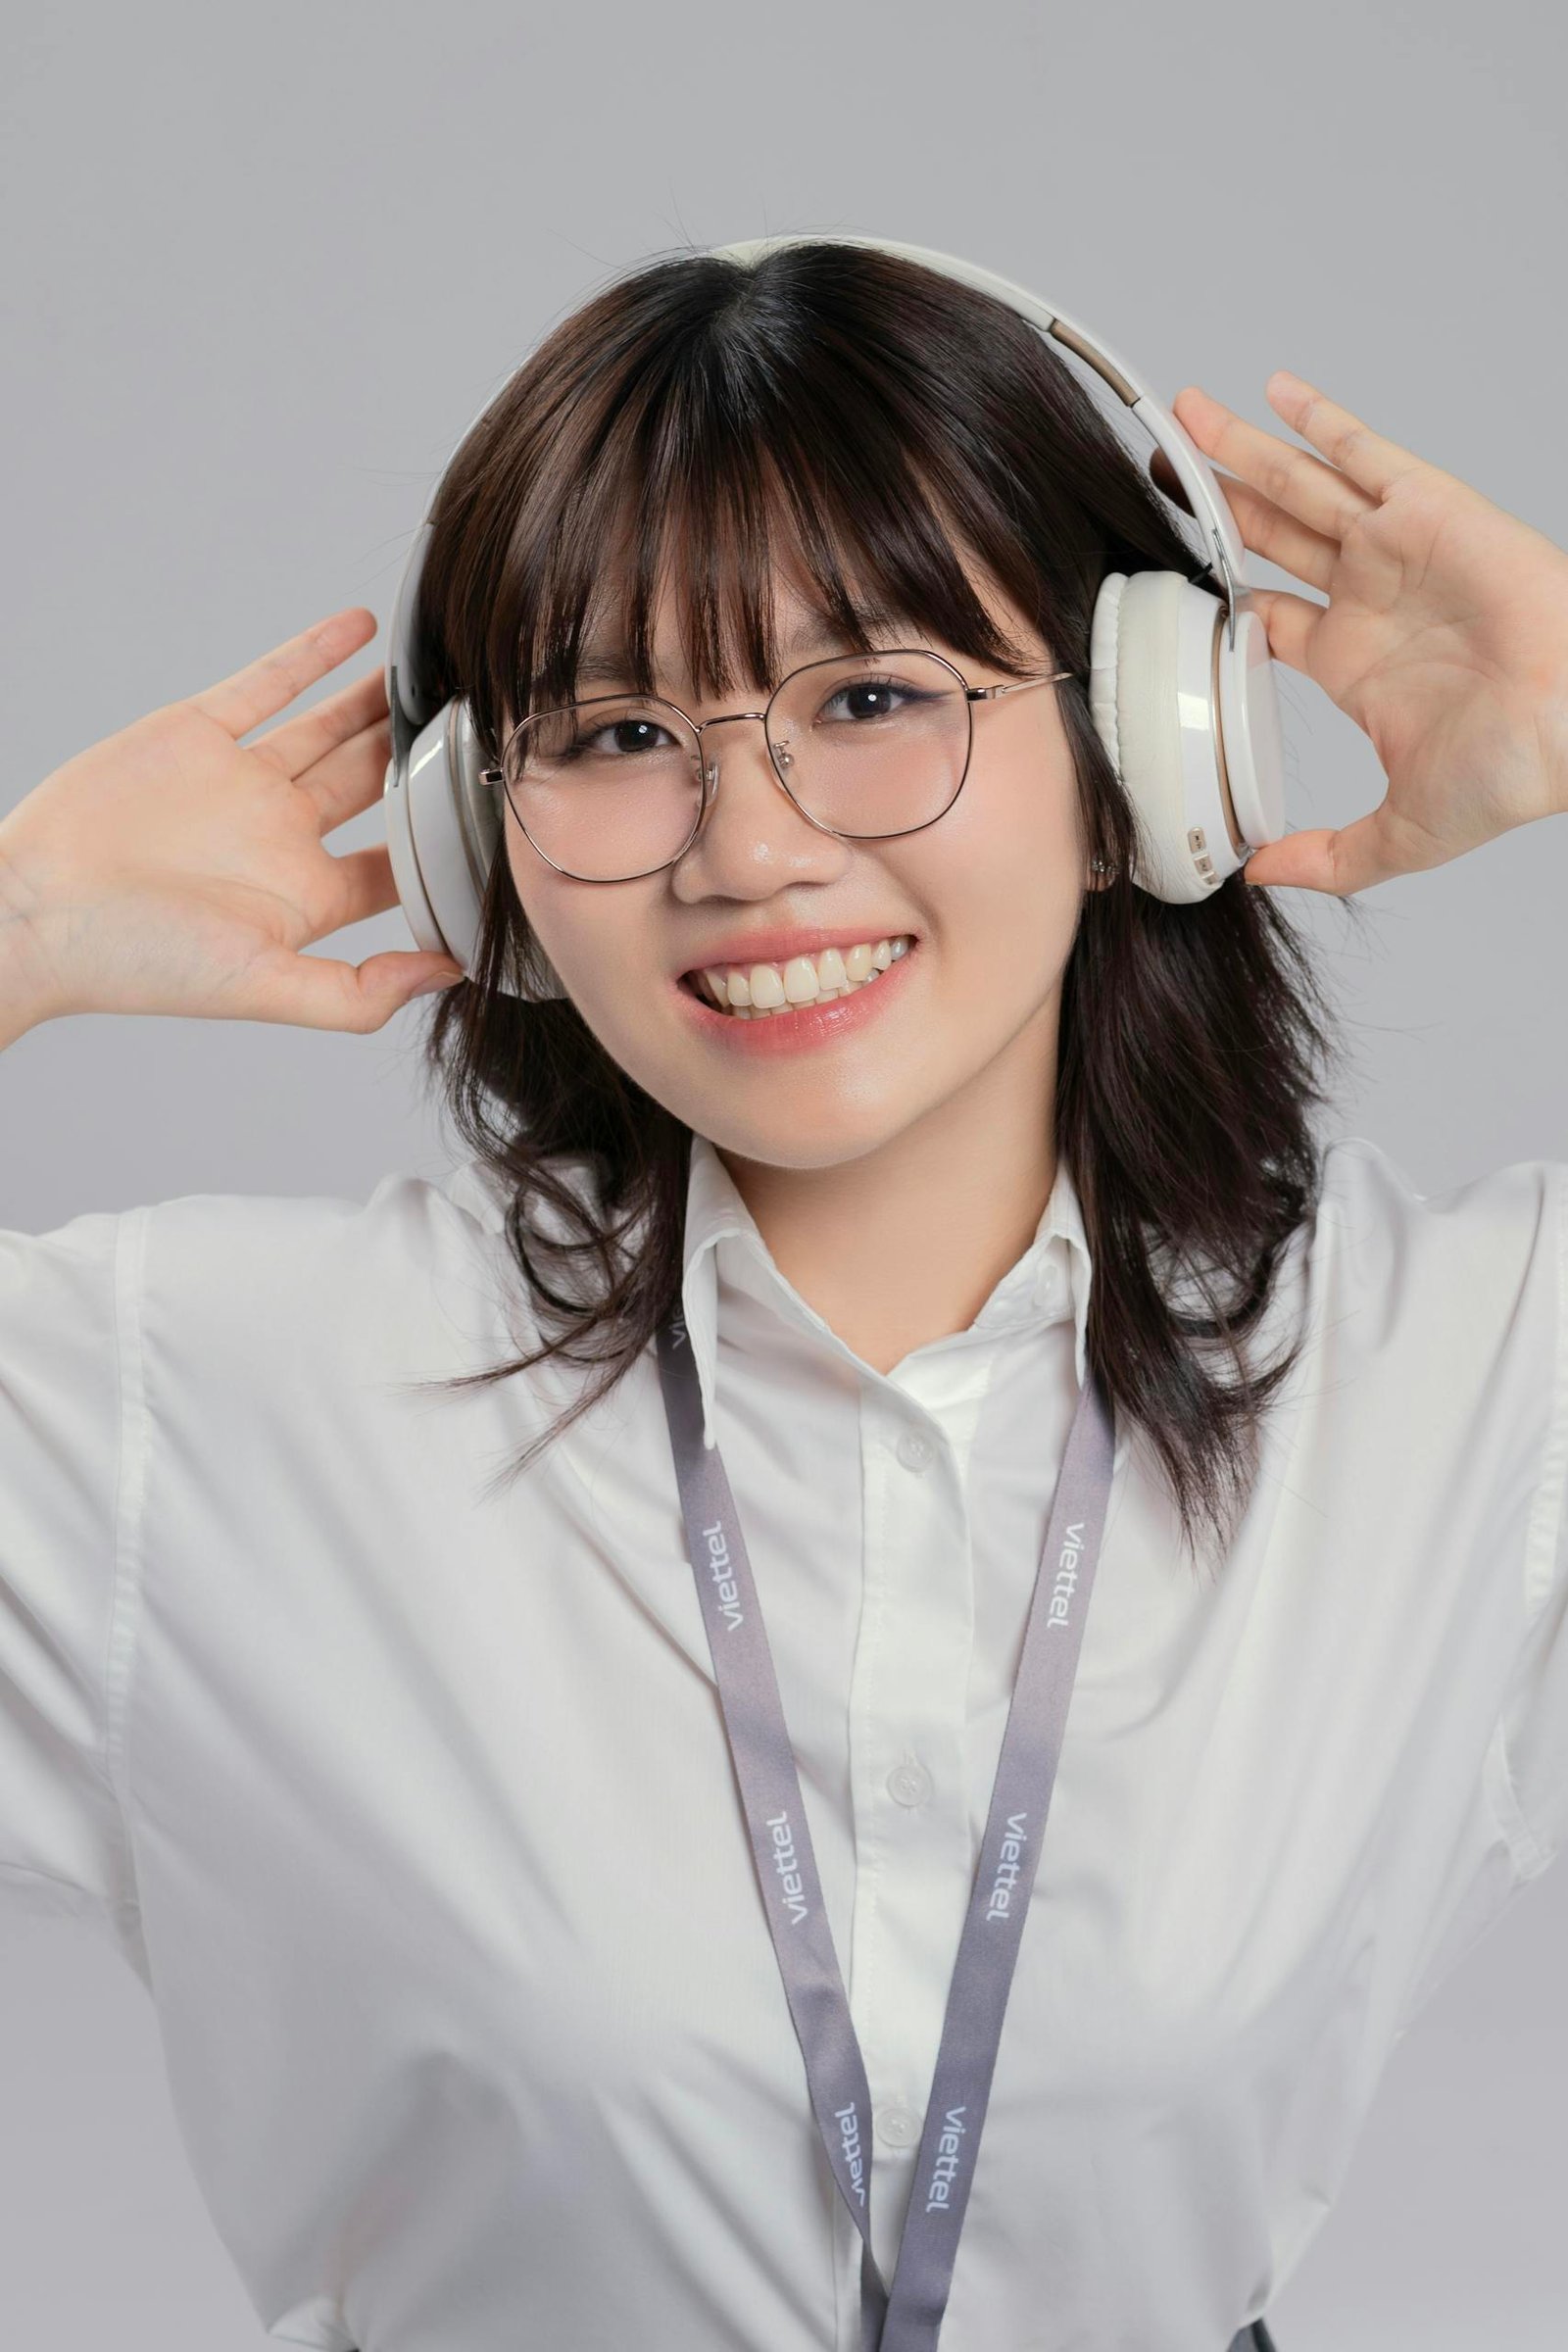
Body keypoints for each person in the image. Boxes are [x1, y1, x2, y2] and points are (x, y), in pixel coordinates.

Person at [1, 240, 1565, 2352]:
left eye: (872, 699)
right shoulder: (198, 1408)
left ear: (1149, 749)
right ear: (485, 848)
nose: (747, 848)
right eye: (620, 732)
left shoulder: (1444, 1378)